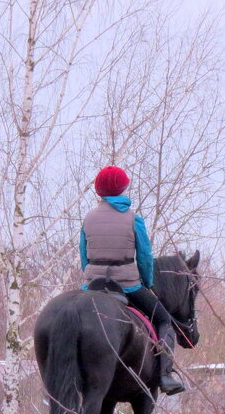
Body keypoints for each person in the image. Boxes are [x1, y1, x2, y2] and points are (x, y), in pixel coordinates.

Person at [79, 166, 185, 395]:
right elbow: (145, 256)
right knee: (165, 320)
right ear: (123, 188)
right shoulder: (132, 219)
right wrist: (147, 282)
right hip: (127, 284)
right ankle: (165, 375)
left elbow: (83, 255)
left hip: (92, 285)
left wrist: (89, 281)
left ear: (99, 191)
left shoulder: (88, 218)